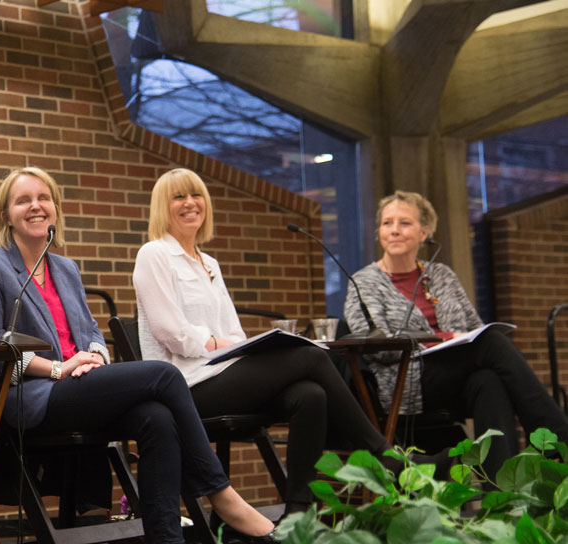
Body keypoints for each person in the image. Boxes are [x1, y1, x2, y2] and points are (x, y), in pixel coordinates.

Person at [0, 167, 277, 544]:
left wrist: (94, 355)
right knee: (164, 375)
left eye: (44, 198)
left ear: (55, 208)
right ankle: (221, 494)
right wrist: (59, 367)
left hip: (80, 384)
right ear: (6, 213)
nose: (36, 206)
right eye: (23, 200)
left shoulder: (66, 268)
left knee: (155, 417)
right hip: (32, 395)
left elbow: (90, 330)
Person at [133, 168, 412, 517]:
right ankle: (387, 456)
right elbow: (169, 331)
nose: (190, 203)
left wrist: (225, 344)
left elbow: (236, 334)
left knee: (312, 394)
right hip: (186, 386)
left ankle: (297, 513)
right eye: (179, 197)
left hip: (222, 373)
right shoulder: (154, 254)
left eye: (197, 195)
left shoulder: (209, 263)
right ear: (163, 206)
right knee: (310, 357)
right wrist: (219, 343)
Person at [345, 190, 568, 476]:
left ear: (424, 232)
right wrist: (435, 340)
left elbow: (474, 327)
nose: (394, 231)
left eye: (404, 223)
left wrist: (458, 338)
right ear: (379, 232)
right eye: (387, 223)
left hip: (452, 378)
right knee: (492, 343)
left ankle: (501, 494)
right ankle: (558, 437)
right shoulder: (363, 283)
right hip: (405, 382)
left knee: (488, 381)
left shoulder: (442, 275)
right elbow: (375, 347)